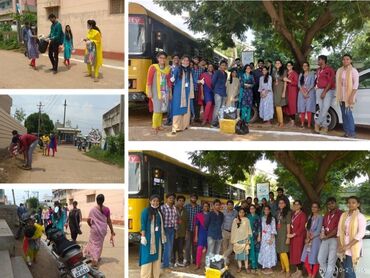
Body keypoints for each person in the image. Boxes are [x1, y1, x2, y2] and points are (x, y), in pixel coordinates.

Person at [337, 196, 366, 278]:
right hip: (343, 247)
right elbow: (339, 231)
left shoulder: (360, 216)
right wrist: (340, 245)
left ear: (358, 204)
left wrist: (348, 246)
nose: (351, 204)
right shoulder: (343, 215)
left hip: (353, 247)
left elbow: (361, 233)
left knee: (349, 271)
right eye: (349, 202)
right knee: (345, 270)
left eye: (353, 202)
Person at [84, 194, 115, 268]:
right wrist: (112, 231)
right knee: (99, 245)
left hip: (94, 230)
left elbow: (88, 220)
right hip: (102, 230)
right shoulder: (107, 209)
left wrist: (91, 226)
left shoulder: (93, 210)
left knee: (93, 244)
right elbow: (109, 221)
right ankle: (96, 257)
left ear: (96, 200)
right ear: (103, 200)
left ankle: (94, 260)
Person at [139, 195, 166, 278]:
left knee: (157, 259)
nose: (155, 202)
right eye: (153, 201)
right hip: (147, 239)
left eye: (157, 201)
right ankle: (146, 276)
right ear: (150, 201)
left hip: (157, 239)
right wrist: (143, 236)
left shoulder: (159, 212)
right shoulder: (145, 211)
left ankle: (155, 275)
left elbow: (161, 226)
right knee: (147, 258)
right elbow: (143, 225)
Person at [146, 51, 172, 134]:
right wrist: (149, 91)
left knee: (161, 109)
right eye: (160, 57)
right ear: (157, 58)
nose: (162, 59)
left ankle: (159, 125)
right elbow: (149, 80)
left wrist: (170, 93)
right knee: (157, 109)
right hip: (155, 91)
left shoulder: (167, 69)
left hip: (164, 91)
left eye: (164, 58)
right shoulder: (153, 67)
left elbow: (169, 82)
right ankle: (154, 126)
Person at [336, 54, 360, 138]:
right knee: (343, 114)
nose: (345, 61)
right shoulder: (340, 70)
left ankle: (352, 133)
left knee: (348, 114)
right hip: (341, 96)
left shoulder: (353, 71)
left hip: (349, 95)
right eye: (344, 59)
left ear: (350, 61)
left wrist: (351, 97)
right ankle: (346, 132)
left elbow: (356, 85)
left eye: (347, 59)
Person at [318, 197, 343, 278]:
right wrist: (322, 233)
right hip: (325, 239)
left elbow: (338, 228)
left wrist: (327, 236)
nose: (330, 205)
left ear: (335, 203)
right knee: (320, 259)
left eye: (332, 203)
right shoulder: (326, 214)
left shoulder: (340, 213)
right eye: (328, 204)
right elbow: (323, 226)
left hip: (335, 239)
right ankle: (329, 276)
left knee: (331, 262)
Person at [171, 55, 194, 135]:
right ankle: (175, 127)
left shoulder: (190, 70)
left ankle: (184, 126)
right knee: (177, 107)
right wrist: (172, 78)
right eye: (184, 60)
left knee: (186, 109)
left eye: (187, 60)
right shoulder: (178, 68)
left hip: (187, 91)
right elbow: (173, 77)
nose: (186, 62)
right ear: (181, 61)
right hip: (178, 91)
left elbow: (192, 80)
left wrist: (199, 81)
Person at [301, 202, 323, 278]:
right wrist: (307, 238)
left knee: (315, 258)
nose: (313, 208)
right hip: (309, 240)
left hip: (316, 240)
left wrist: (310, 238)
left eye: (315, 207)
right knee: (306, 257)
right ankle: (309, 273)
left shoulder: (320, 217)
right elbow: (308, 229)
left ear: (318, 208)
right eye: (312, 207)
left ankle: (313, 275)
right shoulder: (310, 216)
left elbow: (318, 230)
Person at [315, 55, 336, 134]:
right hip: (319, 90)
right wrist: (316, 87)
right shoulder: (318, 70)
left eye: (319, 60)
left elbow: (331, 82)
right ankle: (325, 127)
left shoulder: (330, 70)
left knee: (325, 108)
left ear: (323, 60)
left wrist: (324, 92)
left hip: (328, 90)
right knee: (321, 108)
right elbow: (317, 80)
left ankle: (317, 123)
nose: (317, 61)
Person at [288, 200, 307, 278]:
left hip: (299, 237)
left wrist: (294, 234)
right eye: (294, 204)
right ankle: (297, 270)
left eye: (297, 204)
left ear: (300, 206)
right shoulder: (293, 214)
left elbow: (302, 227)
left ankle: (300, 272)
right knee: (294, 254)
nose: (295, 206)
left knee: (298, 254)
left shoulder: (302, 215)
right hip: (293, 237)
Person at [230, 208, 252, 274]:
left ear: (244, 213)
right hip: (237, 240)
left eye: (243, 212)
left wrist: (248, 238)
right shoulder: (235, 220)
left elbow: (249, 229)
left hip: (245, 239)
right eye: (240, 212)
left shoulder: (247, 220)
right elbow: (233, 230)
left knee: (245, 255)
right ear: (238, 213)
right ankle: (239, 267)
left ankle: (246, 267)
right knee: (238, 255)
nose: (241, 213)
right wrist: (233, 240)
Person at [160, 193, 178, 270]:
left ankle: (166, 263)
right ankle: (165, 264)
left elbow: (175, 220)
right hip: (165, 229)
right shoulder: (162, 208)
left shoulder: (174, 208)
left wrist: (176, 230)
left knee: (170, 247)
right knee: (167, 247)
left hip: (172, 230)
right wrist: (162, 231)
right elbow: (160, 220)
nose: (172, 200)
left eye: (173, 198)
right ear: (166, 199)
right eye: (170, 198)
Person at [258, 205, 277, 275]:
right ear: (264, 210)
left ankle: (270, 267)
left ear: (269, 211)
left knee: (270, 252)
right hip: (263, 237)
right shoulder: (262, 218)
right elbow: (260, 228)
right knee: (264, 252)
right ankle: (265, 266)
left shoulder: (272, 219)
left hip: (270, 237)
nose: (266, 211)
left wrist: (271, 239)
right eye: (265, 209)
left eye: (267, 210)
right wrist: (259, 236)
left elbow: (273, 229)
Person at [184, 194, 202, 266]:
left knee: (195, 246)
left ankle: (194, 259)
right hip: (188, 229)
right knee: (187, 246)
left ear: (196, 199)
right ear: (190, 198)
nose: (193, 199)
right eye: (192, 197)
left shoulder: (199, 208)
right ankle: (187, 260)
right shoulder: (186, 207)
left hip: (196, 230)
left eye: (195, 198)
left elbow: (201, 219)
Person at [276, 198, 292, 277]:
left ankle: (288, 270)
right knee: (279, 251)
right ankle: (283, 268)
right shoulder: (278, 212)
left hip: (284, 233)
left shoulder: (288, 212)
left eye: (282, 203)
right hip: (278, 234)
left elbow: (288, 224)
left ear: (285, 204)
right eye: (280, 203)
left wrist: (288, 236)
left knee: (283, 251)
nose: (281, 204)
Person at [297, 62, 316, 129]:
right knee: (302, 108)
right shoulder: (301, 74)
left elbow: (312, 84)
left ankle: (308, 124)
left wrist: (307, 92)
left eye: (306, 65)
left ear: (308, 66)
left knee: (309, 109)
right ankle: (302, 123)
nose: (304, 67)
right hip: (301, 93)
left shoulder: (311, 74)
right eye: (303, 65)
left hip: (309, 93)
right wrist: (303, 92)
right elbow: (299, 85)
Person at [211, 60, 228, 128]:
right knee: (217, 107)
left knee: (222, 109)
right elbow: (213, 82)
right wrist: (215, 89)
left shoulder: (226, 74)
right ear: (220, 66)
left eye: (225, 65)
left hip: (224, 93)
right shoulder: (217, 72)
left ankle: (219, 122)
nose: (223, 66)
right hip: (217, 92)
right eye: (222, 65)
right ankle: (213, 123)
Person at [172, 195, 188, 267]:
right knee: (173, 247)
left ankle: (180, 261)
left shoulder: (185, 211)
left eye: (182, 201)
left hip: (182, 232)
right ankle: (172, 261)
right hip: (174, 232)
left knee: (180, 248)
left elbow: (187, 222)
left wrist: (186, 232)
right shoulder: (173, 209)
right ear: (177, 201)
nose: (181, 202)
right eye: (179, 200)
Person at [165, 54, 180, 126]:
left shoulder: (180, 68)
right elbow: (168, 79)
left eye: (177, 58)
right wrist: (170, 90)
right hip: (171, 88)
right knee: (170, 105)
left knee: (176, 104)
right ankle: (169, 119)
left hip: (178, 88)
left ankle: (175, 119)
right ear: (172, 59)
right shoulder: (169, 68)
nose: (176, 59)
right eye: (174, 58)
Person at [194, 202, 209, 270]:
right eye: (204, 206)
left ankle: (207, 264)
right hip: (201, 234)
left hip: (209, 234)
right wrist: (196, 236)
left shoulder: (210, 215)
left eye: (207, 206)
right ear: (202, 207)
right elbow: (196, 226)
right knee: (199, 249)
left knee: (208, 250)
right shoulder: (199, 215)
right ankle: (198, 264)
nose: (206, 207)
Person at [221, 200, 238, 265]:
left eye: (231, 205)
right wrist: (221, 230)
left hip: (233, 232)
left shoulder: (235, 212)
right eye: (229, 204)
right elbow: (221, 221)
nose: (230, 206)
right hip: (224, 231)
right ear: (227, 205)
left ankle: (223, 257)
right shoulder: (223, 212)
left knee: (231, 247)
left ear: (233, 206)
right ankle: (226, 261)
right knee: (224, 247)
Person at [283, 61, 299, 127]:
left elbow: (296, 83)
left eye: (290, 65)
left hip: (293, 92)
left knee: (292, 106)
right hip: (287, 91)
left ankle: (293, 122)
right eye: (287, 65)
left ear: (292, 66)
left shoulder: (294, 73)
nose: (288, 66)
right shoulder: (286, 73)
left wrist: (288, 80)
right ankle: (290, 120)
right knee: (288, 106)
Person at [273, 59, 288, 127]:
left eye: (279, 63)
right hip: (275, 89)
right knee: (276, 105)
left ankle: (281, 122)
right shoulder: (274, 71)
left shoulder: (284, 71)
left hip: (280, 89)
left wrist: (284, 92)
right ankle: (279, 121)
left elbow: (285, 82)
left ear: (281, 64)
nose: (277, 64)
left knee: (278, 105)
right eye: (276, 63)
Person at [247, 204, 261, 272]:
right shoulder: (248, 217)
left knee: (256, 251)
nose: (252, 209)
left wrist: (259, 236)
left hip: (256, 236)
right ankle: (252, 265)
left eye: (253, 208)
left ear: (255, 209)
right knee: (250, 251)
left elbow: (259, 227)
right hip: (249, 236)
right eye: (250, 208)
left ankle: (256, 265)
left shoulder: (258, 217)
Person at [192, 56, 204, 122]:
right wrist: (197, 81)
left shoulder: (201, 69)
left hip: (198, 89)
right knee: (192, 104)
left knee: (198, 104)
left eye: (197, 60)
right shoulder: (190, 69)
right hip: (191, 89)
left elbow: (202, 79)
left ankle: (197, 117)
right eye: (195, 59)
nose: (196, 61)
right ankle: (191, 117)